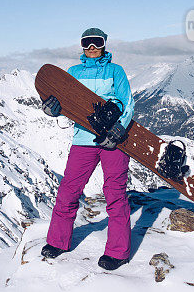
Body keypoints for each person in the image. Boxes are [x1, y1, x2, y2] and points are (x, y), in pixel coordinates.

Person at [40, 27, 134, 271]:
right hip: (83, 140)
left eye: (97, 42)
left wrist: (118, 131)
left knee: (115, 194)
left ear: (104, 44)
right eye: (87, 42)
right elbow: (66, 107)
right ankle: (58, 242)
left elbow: (128, 103)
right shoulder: (72, 73)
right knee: (68, 191)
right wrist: (53, 109)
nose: (92, 47)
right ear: (82, 45)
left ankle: (118, 252)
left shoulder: (116, 71)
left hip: (114, 141)